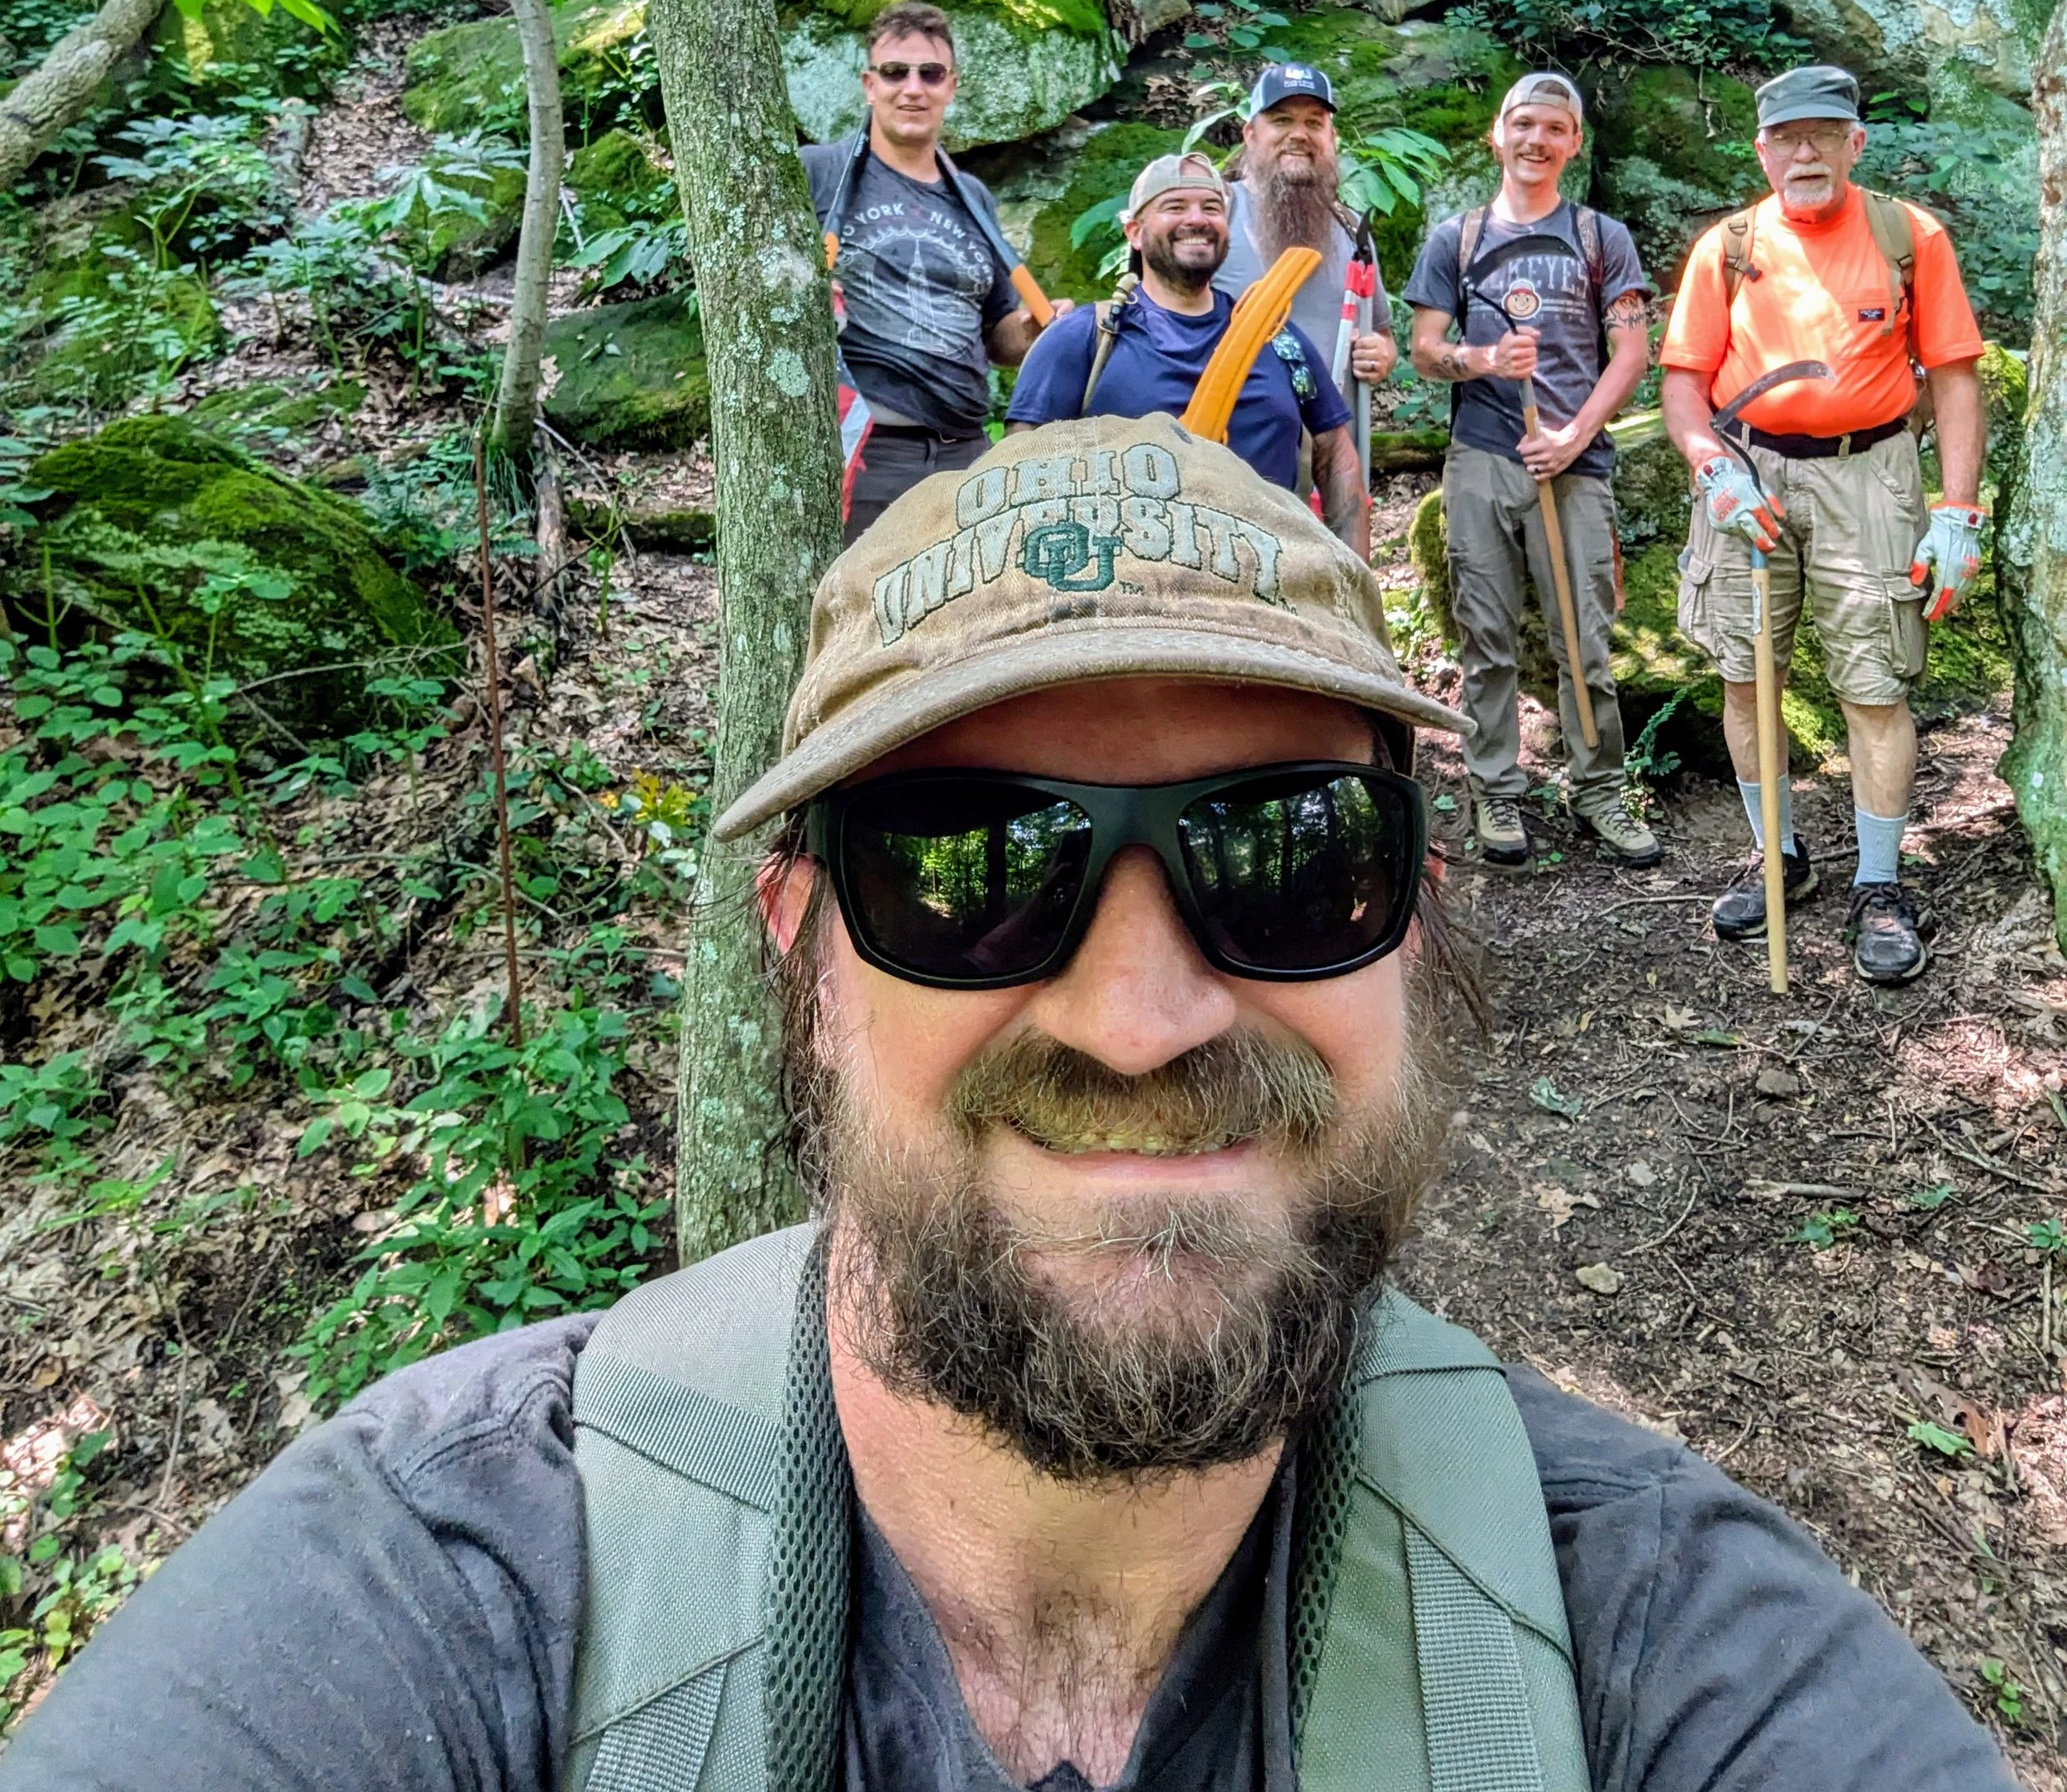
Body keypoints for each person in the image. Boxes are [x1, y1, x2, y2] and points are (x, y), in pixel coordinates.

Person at [10, 414, 2018, 1792]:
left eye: (1288, 849)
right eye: (970, 867)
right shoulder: (454, 1596)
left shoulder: (1649, 1638)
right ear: (801, 949)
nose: (1142, 1016)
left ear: (1411, 917)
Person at [1660, 63, 1988, 986]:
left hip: (1870, 476)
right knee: (1742, 674)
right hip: (1746, 475)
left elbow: (1955, 376)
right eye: (1786, 137)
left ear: (1855, 141)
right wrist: (1712, 467)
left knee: (1874, 685)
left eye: (1822, 134)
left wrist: (1956, 513)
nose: (1803, 152)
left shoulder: (1906, 236)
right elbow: (1683, 387)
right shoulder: (1725, 246)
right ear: (1761, 150)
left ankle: (1878, 886)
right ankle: (1779, 857)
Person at [1404, 70, 1659, 868]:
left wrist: (1578, 433)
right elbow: (1422, 350)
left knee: (1582, 634)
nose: (1536, 139)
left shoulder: (1600, 238)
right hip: (1481, 456)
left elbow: (1633, 352)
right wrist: (1481, 357)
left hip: (1573, 463)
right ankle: (1496, 790)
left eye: (1554, 127)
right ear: (1497, 133)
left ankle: (1598, 789)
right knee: (1486, 634)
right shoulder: (1459, 238)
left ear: (1573, 143)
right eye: (1523, 124)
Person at [1006, 150, 1368, 552]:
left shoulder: (1278, 338)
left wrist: (1355, 587)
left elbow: (1336, 457)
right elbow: (1018, 467)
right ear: (1135, 233)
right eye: (1175, 206)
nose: (1197, 219)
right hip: (1128, 593)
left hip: (1269, 587)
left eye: (1211, 207)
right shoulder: (1085, 338)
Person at [803, 0, 1069, 542]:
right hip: (870, 458)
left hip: (969, 457)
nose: (913, 88)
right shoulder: (819, 173)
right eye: (895, 72)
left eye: (931, 73)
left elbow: (999, 336)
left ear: (952, 86)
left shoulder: (971, 197)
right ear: (869, 84)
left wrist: (1036, 332)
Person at [1215, 60, 1398, 393]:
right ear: (1250, 135)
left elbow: (1382, 334)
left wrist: (1380, 353)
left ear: (1332, 138)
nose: (1299, 135)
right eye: (1282, 120)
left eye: (1314, 123)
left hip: (1337, 442)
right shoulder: (1216, 217)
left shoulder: (1352, 229)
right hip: (1233, 440)